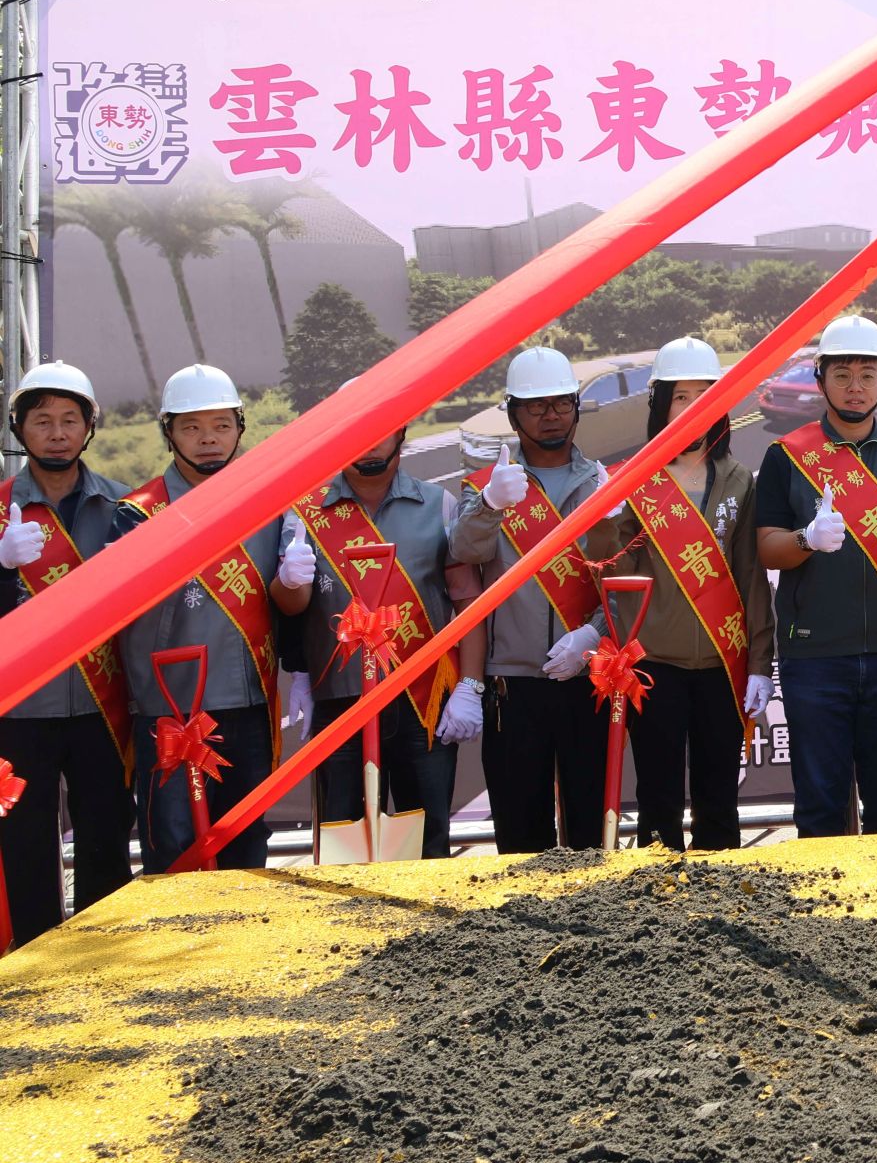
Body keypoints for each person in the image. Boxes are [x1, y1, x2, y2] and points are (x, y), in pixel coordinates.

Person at [116, 364, 312, 871]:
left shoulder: (269, 503)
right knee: (172, 848)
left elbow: (288, 607)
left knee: (247, 844)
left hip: (245, 702)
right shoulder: (137, 514)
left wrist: (293, 584)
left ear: (240, 429)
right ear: (168, 432)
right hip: (169, 708)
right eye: (192, 427)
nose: (208, 440)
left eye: (222, 426)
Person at [585, 337, 773, 852]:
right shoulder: (635, 482)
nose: (693, 409)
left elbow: (751, 577)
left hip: (721, 664)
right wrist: (604, 523)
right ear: (660, 405)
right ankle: (655, 915)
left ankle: (723, 915)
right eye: (681, 397)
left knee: (720, 800)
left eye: (705, 395)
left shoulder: (739, 481)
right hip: (655, 667)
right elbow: (610, 573)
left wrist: (759, 661)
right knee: (658, 798)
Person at [754, 315, 877, 837]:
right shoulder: (786, 456)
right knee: (819, 810)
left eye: (867, 375)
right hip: (815, 657)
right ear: (820, 379)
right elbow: (768, 548)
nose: (855, 388)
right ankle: (824, 917)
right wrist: (806, 540)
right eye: (842, 375)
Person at [285, 393, 471, 860]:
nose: (367, 447)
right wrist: (289, 582)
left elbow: (468, 603)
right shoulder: (305, 513)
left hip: (422, 700)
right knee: (343, 841)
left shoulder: (440, 505)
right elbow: (289, 607)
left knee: (426, 841)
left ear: (402, 434)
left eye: (379, 432)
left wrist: (472, 685)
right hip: (340, 702)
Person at [450, 346, 618, 854]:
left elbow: (625, 579)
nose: (550, 416)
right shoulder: (487, 487)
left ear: (576, 407)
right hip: (513, 685)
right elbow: (462, 550)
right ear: (512, 412)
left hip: (589, 676)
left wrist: (595, 634)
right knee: (520, 836)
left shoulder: (607, 483)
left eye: (561, 404)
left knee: (593, 830)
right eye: (534, 406)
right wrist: (489, 505)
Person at [0, 362, 133, 936]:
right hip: (19, 710)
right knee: (25, 844)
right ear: (20, 430)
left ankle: (101, 965)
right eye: (42, 421)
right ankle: (33, 967)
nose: (57, 432)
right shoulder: (0, 507)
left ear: (89, 428)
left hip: (103, 706)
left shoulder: (127, 506)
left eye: (69, 420)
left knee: (106, 836)